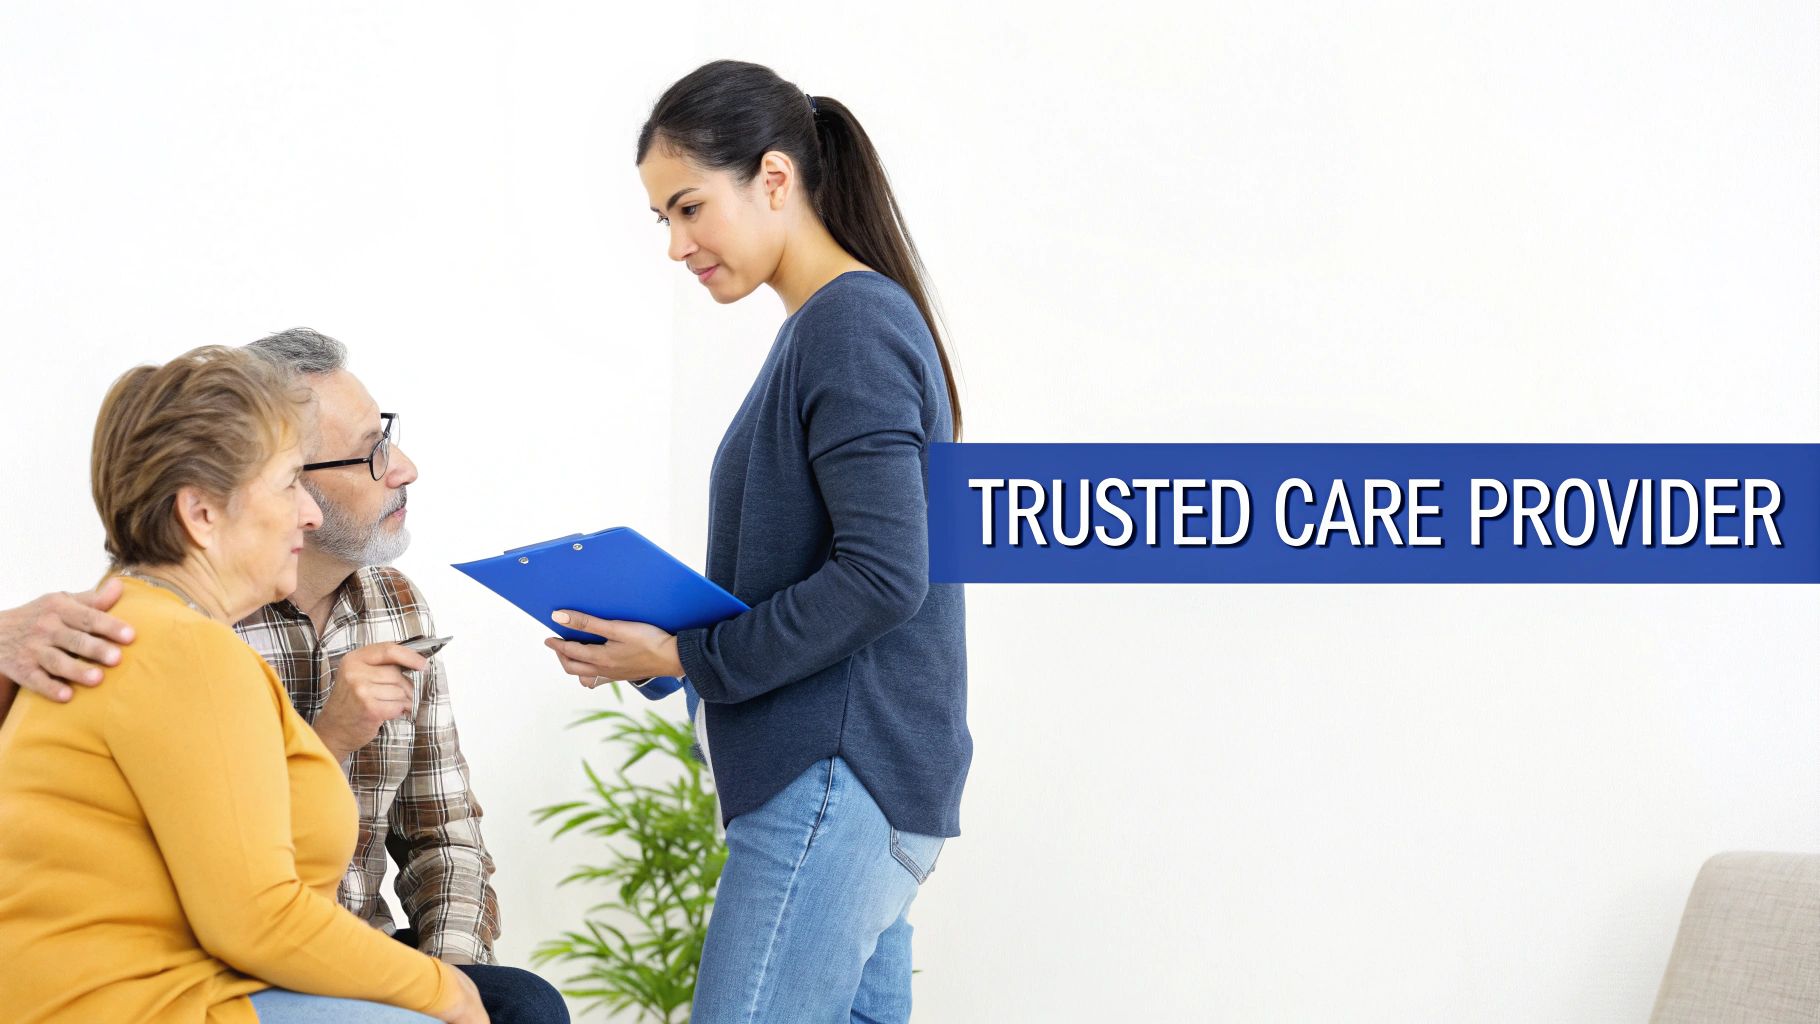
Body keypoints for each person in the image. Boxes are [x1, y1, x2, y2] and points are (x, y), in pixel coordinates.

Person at [540, 60, 970, 1024]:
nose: (676, 244)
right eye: (663, 219)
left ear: (774, 179)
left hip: (834, 780)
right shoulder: (833, 326)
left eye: (690, 208)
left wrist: (690, 651)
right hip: (849, 781)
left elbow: (882, 576)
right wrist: (665, 647)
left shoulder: (850, 326)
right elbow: (841, 566)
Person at [0, 328, 569, 1024]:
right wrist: (443, 996)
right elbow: (257, 916)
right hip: (177, 992)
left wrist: (450, 975)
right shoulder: (179, 649)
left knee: (517, 1002)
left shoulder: (173, 628)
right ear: (202, 514)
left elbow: (433, 836)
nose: (305, 509)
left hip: (237, 966)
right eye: (288, 482)